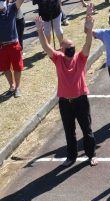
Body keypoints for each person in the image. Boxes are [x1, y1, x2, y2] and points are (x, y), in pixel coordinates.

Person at [35, 12, 97, 167]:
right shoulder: (58, 59)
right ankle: (71, 157)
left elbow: (87, 45)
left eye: (72, 47)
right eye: (67, 47)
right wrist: (40, 30)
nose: (71, 49)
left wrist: (89, 29)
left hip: (81, 100)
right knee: (69, 132)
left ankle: (91, 155)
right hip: (64, 102)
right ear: (61, 49)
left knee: (87, 129)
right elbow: (45, 46)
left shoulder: (80, 58)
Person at [0, 0, 34, 98]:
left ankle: (18, 87)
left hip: (14, 44)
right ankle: (12, 86)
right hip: (2, 46)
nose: (2, 2)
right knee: (5, 68)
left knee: (17, 68)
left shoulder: (12, 8)